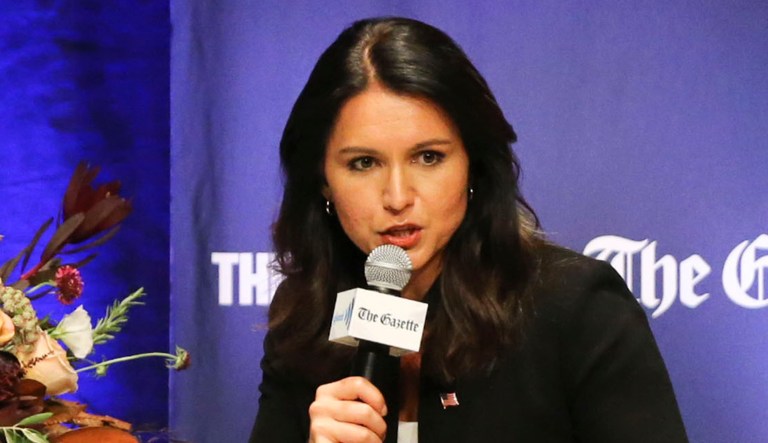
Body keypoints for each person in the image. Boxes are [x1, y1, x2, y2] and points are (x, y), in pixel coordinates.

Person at [250, 16, 688, 443]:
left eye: (428, 157)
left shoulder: (575, 308)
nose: (397, 196)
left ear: (473, 166)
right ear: (322, 180)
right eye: (364, 163)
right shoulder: (306, 316)